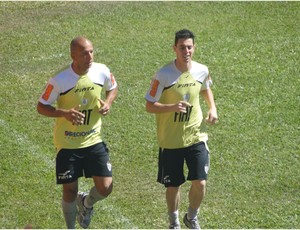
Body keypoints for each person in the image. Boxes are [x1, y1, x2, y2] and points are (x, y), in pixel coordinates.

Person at [37, 36, 118, 229]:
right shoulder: (59, 79)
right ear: (73, 56)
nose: (89, 56)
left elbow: (113, 88)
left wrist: (107, 103)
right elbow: (41, 106)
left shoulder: (102, 70)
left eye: (91, 51)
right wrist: (64, 113)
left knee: (106, 187)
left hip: (93, 139)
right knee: (70, 191)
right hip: (67, 143)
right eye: (84, 53)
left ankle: (87, 203)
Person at [145, 29, 218, 229]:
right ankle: (174, 222)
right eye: (182, 47)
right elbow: (149, 104)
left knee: (200, 182)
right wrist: (171, 107)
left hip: (196, 136)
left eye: (189, 47)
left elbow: (205, 88)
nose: (186, 51)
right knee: (173, 185)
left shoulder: (201, 70)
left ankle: (191, 217)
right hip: (170, 141)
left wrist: (212, 108)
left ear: (194, 48)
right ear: (174, 49)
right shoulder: (163, 75)